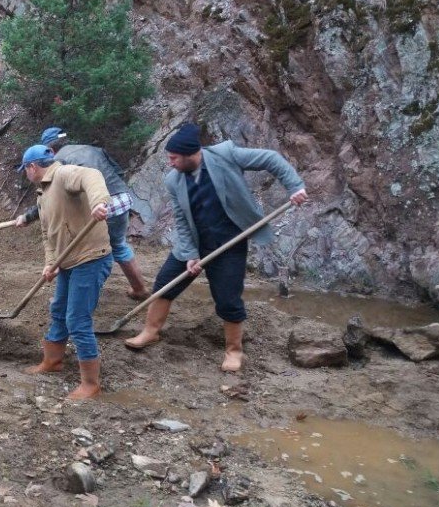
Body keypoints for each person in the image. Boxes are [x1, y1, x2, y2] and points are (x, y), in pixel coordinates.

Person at [123, 123, 308, 371]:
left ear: (191, 154)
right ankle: (150, 331)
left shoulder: (226, 154)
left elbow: (271, 159)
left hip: (228, 242)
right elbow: (181, 221)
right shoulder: (173, 180)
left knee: (228, 298)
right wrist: (189, 255)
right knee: (165, 284)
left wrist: (295, 187)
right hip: (195, 242)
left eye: (174, 158)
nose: (170, 163)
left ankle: (234, 351)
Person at [19, 144, 113, 400]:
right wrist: (51, 263)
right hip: (68, 261)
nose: (26, 175)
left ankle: (91, 384)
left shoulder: (62, 175)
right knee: (59, 310)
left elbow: (91, 176)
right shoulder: (42, 194)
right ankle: (53, 361)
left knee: (77, 320)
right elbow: (47, 236)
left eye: (24, 170)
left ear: (32, 167)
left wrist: (98, 202)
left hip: (91, 258)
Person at [16, 127, 150, 300]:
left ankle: (76, 296)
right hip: (121, 199)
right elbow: (118, 171)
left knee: (82, 250)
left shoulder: (58, 163)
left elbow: (53, 197)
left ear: (49, 149)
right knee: (118, 245)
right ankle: (139, 288)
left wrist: (28, 217)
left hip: (98, 206)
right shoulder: (92, 149)